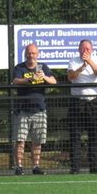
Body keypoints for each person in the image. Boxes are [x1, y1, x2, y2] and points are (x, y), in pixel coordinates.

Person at [12, 43, 57, 175]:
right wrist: (29, 79)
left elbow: (54, 81)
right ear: (25, 54)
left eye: (33, 53)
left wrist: (45, 78)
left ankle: (36, 166)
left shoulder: (43, 67)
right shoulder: (20, 68)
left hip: (39, 108)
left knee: (37, 141)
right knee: (20, 139)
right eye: (29, 53)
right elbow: (15, 81)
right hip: (22, 109)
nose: (31, 55)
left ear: (37, 54)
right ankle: (18, 166)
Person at [67, 39, 97, 174]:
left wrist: (90, 62)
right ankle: (75, 168)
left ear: (92, 49)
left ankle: (94, 167)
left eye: (87, 49)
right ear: (79, 50)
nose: (85, 51)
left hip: (93, 103)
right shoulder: (73, 61)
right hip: (77, 103)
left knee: (94, 136)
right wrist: (81, 67)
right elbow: (70, 77)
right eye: (83, 49)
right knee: (75, 136)